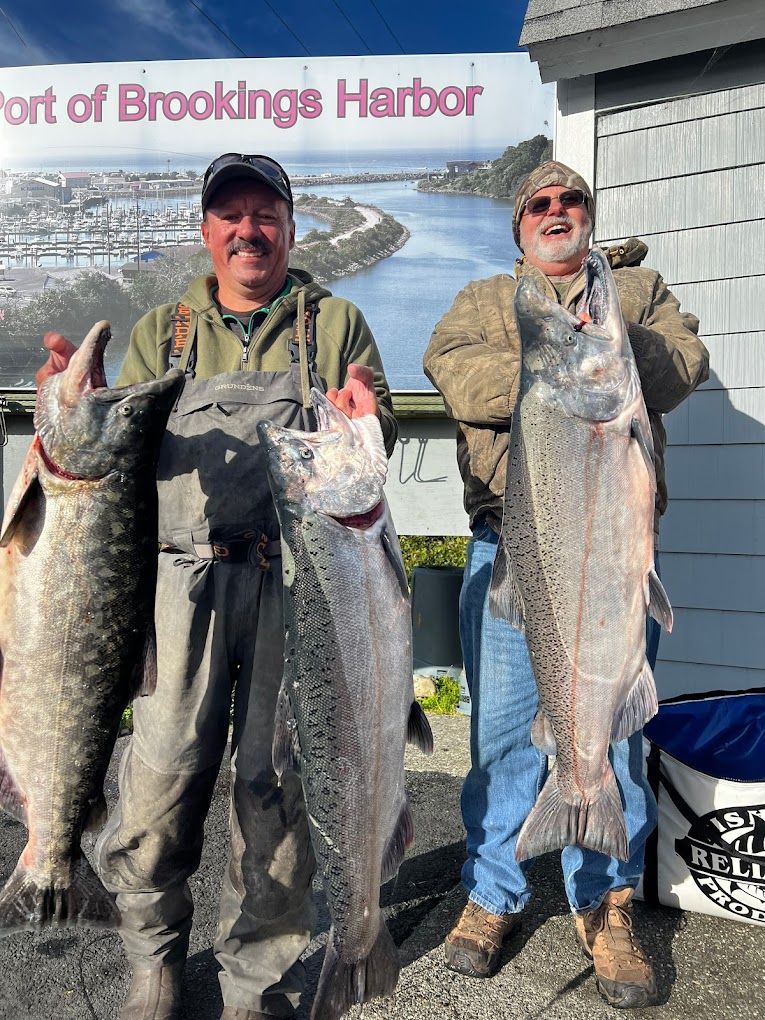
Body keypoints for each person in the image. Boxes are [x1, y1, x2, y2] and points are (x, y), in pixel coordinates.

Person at [38, 152, 397, 1020]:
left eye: (264, 214)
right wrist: (70, 409)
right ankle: (153, 962)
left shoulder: (334, 320)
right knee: (158, 778)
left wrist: (366, 417)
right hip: (176, 583)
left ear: (288, 227)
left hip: (298, 584)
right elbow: (113, 463)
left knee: (276, 787)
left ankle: (255, 985)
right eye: (229, 216)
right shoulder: (162, 328)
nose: (248, 231)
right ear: (205, 233)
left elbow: (370, 424)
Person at [423, 160, 709, 1009]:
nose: (555, 212)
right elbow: (452, 374)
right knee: (504, 734)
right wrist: (551, 345)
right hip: (514, 550)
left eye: (569, 201)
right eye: (537, 206)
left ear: (588, 213)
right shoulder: (484, 302)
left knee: (615, 731)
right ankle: (493, 892)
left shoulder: (641, 288)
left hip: (615, 558)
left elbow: (680, 368)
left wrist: (609, 328)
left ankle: (606, 902)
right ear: (519, 228)